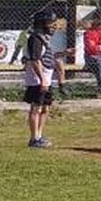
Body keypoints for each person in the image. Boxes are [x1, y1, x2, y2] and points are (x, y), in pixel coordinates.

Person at [21, 11, 62, 148]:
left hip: (46, 78)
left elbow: (48, 56)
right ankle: (34, 138)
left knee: (45, 108)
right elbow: (35, 60)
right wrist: (42, 79)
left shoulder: (44, 38)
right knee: (36, 108)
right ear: (42, 23)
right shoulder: (35, 38)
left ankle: (39, 135)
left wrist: (64, 53)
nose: (54, 26)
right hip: (37, 80)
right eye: (51, 23)